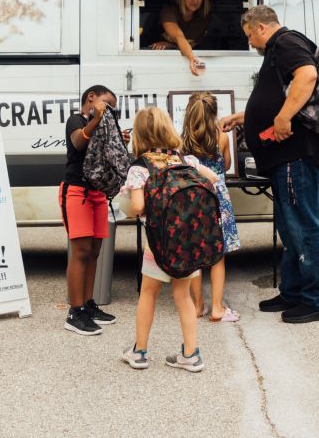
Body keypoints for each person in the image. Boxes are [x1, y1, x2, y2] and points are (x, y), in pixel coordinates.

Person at [220, 5, 319, 323]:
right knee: (290, 228)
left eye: (249, 36)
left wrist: (284, 117)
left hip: (297, 154)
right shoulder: (279, 49)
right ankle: (295, 291)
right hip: (286, 158)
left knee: (305, 227)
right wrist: (246, 116)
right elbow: (280, 96)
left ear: (261, 27)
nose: (250, 43)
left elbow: (307, 75)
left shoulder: (286, 43)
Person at [119, 106, 219, 372]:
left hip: (159, 243)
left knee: (148, 295)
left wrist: (127, 196)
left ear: (139, 133)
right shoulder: (184, 160)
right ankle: (190, 353)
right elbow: (213, 179)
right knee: (183, 297)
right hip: (187, 239)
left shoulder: (140, 167)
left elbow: (138, 207)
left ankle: (139, 352)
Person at [60, 85, 128, 336]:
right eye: (106, 104)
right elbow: (78, 142)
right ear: (91, 98)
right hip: (77, 191)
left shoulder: (103, 126)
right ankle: (74, 312)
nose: (110, 110)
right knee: (80, 251)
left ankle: (88, 304)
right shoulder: (76, 120)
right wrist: (96, 118)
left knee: (94, 252)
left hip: (98, 194)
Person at [182, 92, 241, 323]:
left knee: (195, 255)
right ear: (214, 113)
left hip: (192, 199)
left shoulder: (183, 141)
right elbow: (225, 165)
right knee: (218, 256)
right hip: (217, 199)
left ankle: (197, 305)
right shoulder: (221, 137)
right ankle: (217, 308)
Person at [149, 0, 210, 76]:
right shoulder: (169, 11)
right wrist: (192, 59)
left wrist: (171, 46)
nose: (195, 0)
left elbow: (196, 45)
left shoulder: (204, 17)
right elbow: (178, 36)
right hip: (159, 63)